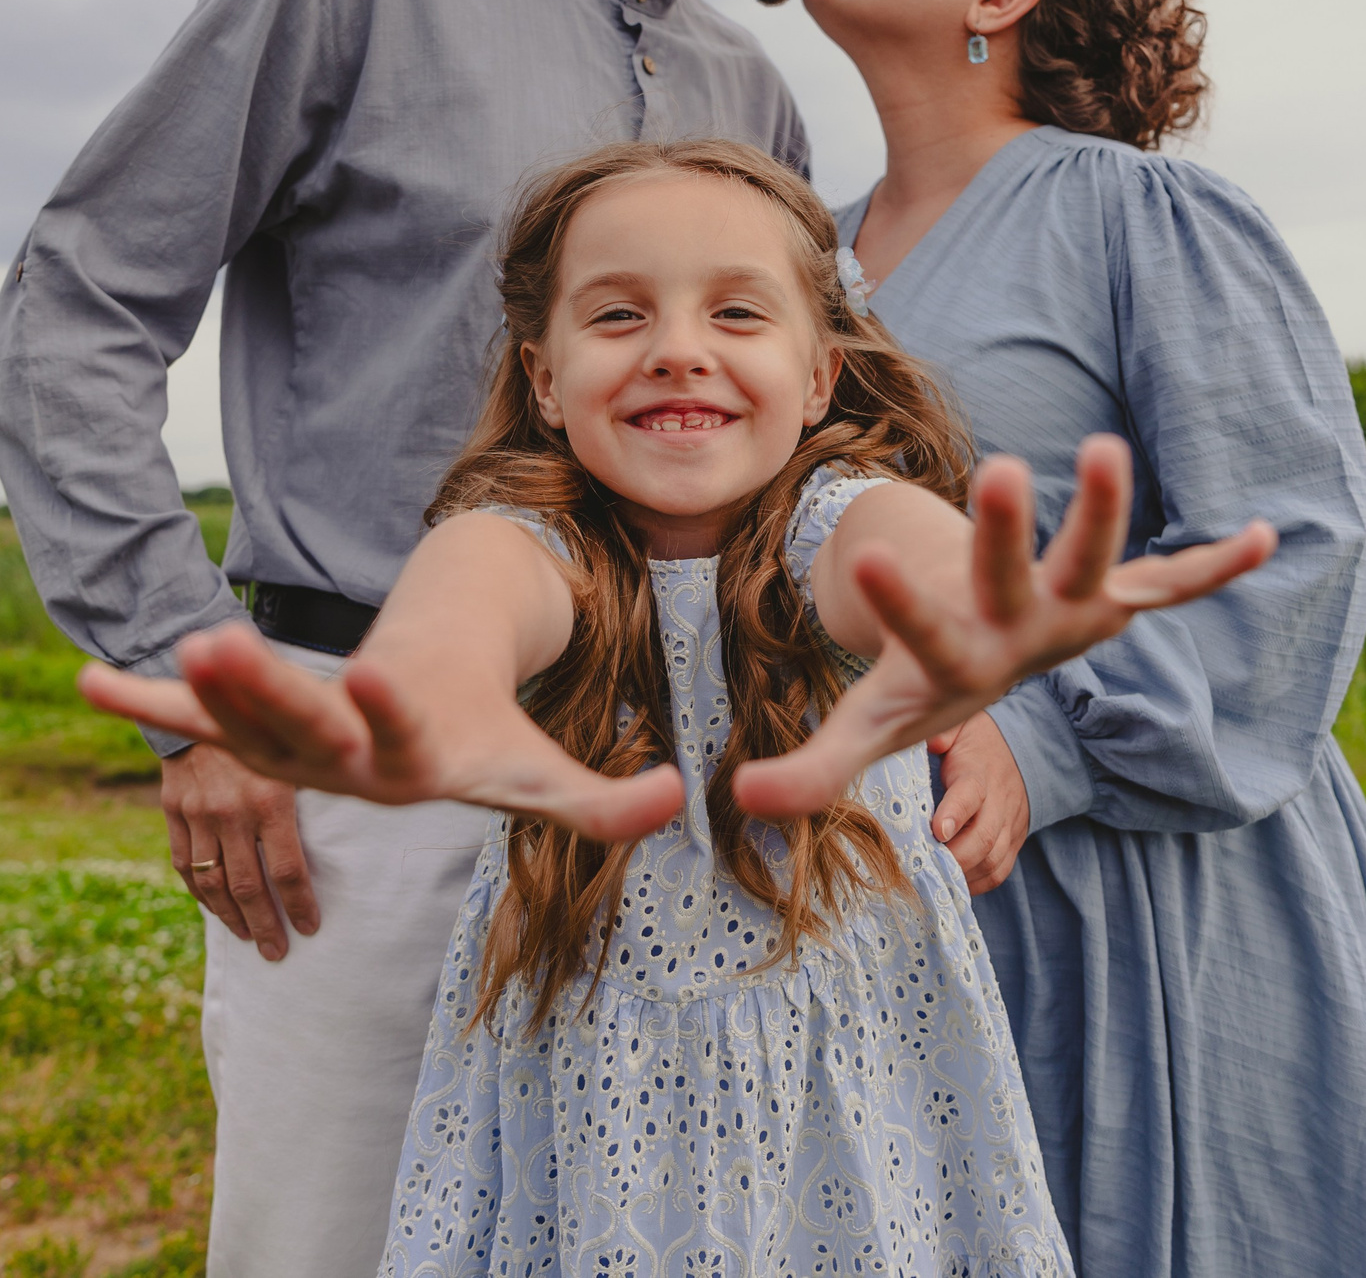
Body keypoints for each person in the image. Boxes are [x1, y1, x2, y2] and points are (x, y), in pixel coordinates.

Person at [0, 0, 923, 1273]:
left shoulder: (756, 100)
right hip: (365, 799)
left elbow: (813, 440)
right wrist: (196, 680)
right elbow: (72, 310)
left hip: (673, 803)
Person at [82, 139, 1273, 1277]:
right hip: (593, 1095)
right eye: (618, 316)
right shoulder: (535, 536)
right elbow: (476, 590)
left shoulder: (829, 516)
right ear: (545, 380)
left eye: (737, 313)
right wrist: (429, 678)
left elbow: (890, 551)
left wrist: (972, 604)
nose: (677, 350)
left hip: (847, 1090)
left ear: (819, 376)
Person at [799, 0, 1366, 1277]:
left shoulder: (1143, 213)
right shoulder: (797, 260)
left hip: (1133, 883)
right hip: (876, 888)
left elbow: (1284, 544)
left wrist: (1042, 744)